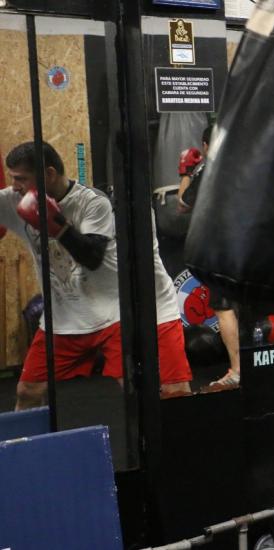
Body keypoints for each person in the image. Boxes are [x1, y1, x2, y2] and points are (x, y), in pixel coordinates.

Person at [1, 141, 192, 410]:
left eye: (21, 179)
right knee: (28, 391)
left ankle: (181, 432)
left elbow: (92, 258)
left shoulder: (95, 204)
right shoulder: (15, 199)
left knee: (155, 390)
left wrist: (55, 225)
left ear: (49, 174)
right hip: (69, 315)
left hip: (121, 311)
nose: (15, 186)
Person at [177, 126, 242, 388]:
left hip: (221, 247)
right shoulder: (243, 163)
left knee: (223, 308)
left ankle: (237, 370)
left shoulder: (209, 167)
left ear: (206, 146)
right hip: (248, 243)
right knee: (242, 307)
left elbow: (182, 204)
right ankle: (251, 366)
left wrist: (186, 171)